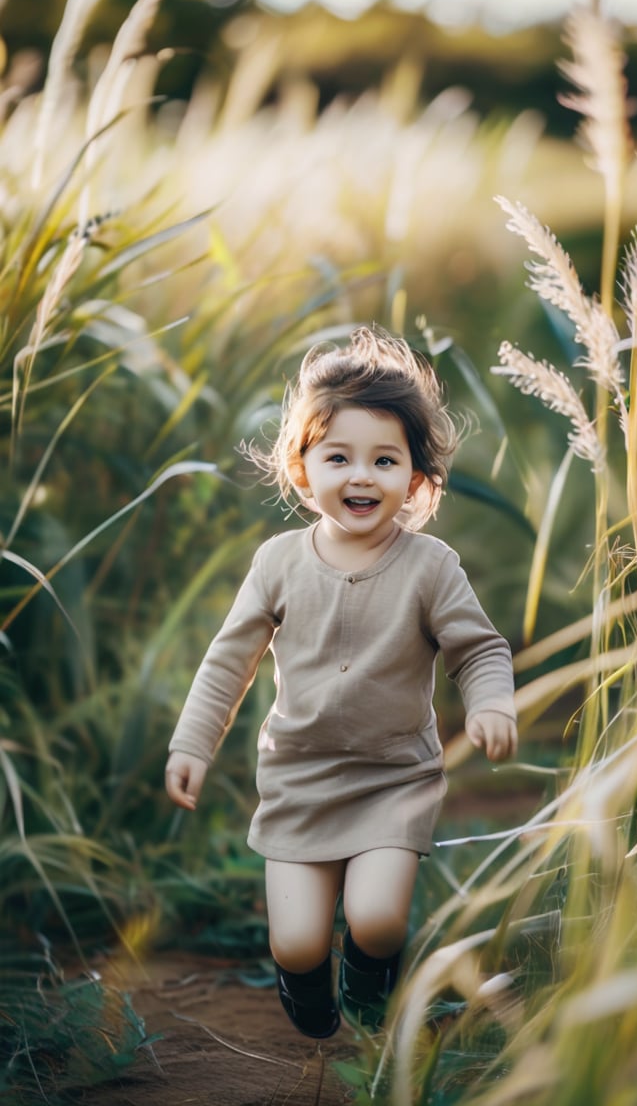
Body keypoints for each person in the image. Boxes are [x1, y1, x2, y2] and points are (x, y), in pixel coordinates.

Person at [165, 324, 518, 1040]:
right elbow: (228, 660)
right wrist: (193, 745)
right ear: (303, 469)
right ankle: (314, 993)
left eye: (384, 460)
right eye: (339, 457)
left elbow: (478, 649)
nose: (361, 476)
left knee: (378, 919)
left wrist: (491, 701)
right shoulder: (277, 564)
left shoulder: (431, 567)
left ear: (415, 480)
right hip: (299, 779)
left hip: (395, 778)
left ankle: (373, 971)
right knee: (295, 943)